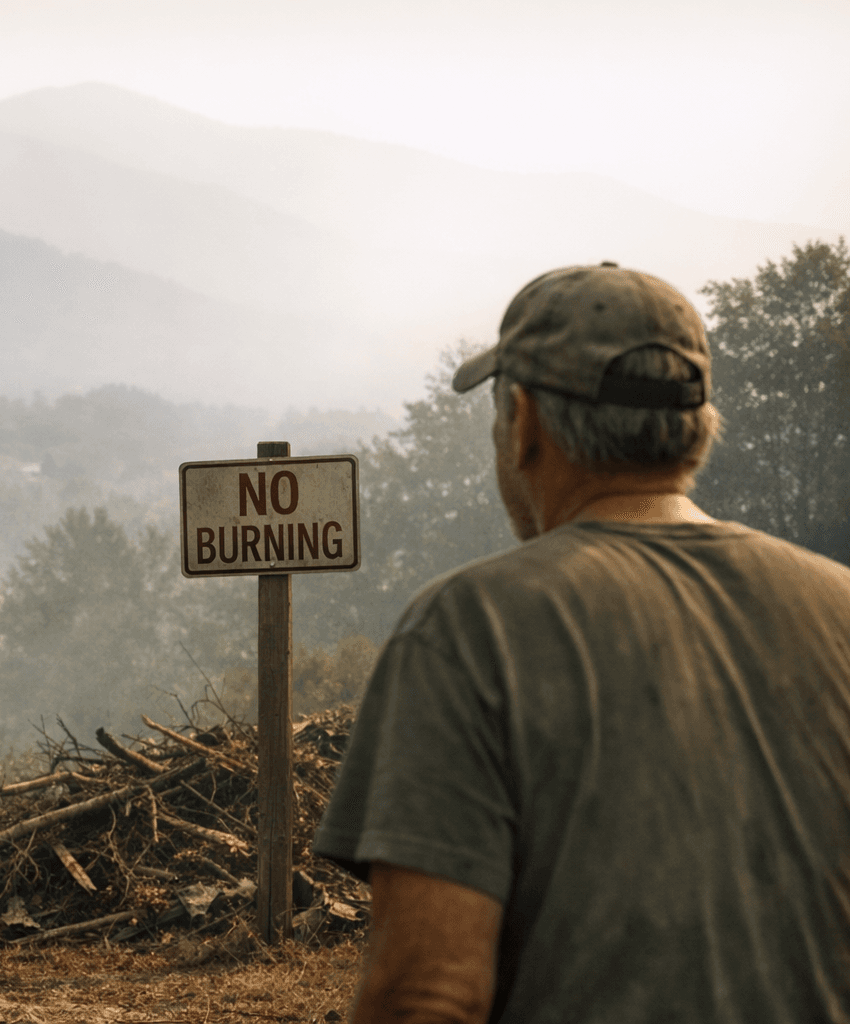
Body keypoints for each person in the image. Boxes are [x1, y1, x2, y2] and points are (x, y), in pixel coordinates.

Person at [312, 262, 850, 1024]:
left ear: (524, 422)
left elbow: (425, 996)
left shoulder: (471, 630)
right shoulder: (840, 606)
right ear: (697, 423)